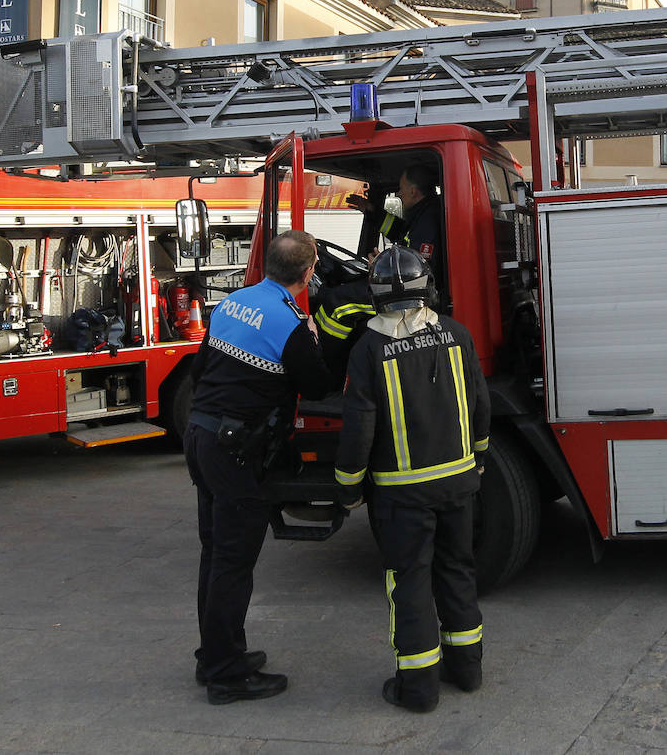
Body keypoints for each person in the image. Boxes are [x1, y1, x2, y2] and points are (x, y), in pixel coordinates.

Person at [335, 246, 489, 713]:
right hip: (460, 484)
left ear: (375, 295)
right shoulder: (456, 334)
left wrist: (347, 488)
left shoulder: (369, 348)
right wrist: (477, 459)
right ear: (427, 287)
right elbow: (481, 404)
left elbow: (359, 424)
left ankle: (419, 691)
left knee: (411, 583)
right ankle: (467, 672)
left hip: (403, 496)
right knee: (458, 572)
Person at [185, 229, 332, 704]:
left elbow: (199, 370)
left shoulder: (232, 303)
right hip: (233, 449)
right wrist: (313, 338)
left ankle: (215, 656)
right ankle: (227, 675)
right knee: (233, 560)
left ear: (268, 265)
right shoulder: (292, 322)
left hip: (201, 436)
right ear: (307, 273)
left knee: (215, 552)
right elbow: (316, 386)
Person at [347, 164, 447, 302]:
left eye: (400, 188)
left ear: (413, 191)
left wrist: (382, 267)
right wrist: (371, 211)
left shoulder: (429, 220)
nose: (398, 193)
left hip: (417, 299)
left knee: (339, 299)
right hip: (413, 295)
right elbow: (400, 231)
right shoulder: (423, 213)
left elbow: (417, 270)